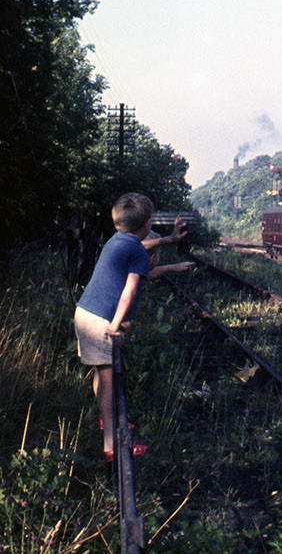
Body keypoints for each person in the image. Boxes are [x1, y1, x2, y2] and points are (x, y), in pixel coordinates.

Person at [74, 193, 194, 462]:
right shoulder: (139, 252)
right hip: (101, 322)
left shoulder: (118, 241)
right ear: (148, 222)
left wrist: (171, 258)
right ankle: (111, 445)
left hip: (84, 313)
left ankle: (107, 421)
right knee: (109, 380)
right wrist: (116, 324)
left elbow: (147, 265)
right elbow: (130, 290)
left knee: (100, 371)